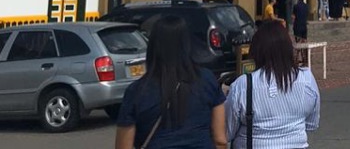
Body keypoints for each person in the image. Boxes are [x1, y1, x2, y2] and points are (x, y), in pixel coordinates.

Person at [115, 15, 227, 149]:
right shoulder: (207, 80)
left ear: (153, 47)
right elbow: (220, 140)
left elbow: (123, 146)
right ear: (187, 44)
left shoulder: (136, 91)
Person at [225, 21, 320, 149]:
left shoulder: (243, 85)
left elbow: (226, 131)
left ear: (257, 50)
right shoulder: (306, 78)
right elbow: (311, 124)